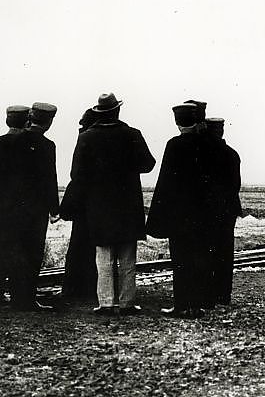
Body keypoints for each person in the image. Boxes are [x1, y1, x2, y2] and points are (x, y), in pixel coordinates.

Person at [70, 93, 155, 316]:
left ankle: (105, 303)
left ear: (99, 113)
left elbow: (76, 173)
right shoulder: (132, 134)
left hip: (99, 207)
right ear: (117, 111)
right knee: (127, 258)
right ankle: (127, 303)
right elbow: (148, 164)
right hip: (128, 206)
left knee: (103, 257)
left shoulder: (87, 137)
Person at [146, 103, 210, 318]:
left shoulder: (174, 145)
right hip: (202, 213)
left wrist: (159, 217)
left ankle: (182, 305)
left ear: (177, 122)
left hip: (179, 215)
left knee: (181, 260)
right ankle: (198, 304)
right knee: (199, 257)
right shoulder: (206, 144)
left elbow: (165, 182)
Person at [11, 102, 61, 310]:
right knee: (33, 253)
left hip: (13, 207)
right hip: (36, 209)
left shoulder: (11, 141)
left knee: (17, 251)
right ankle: (28, 299)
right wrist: (54, 209)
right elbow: (50, 179)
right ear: (49, 122)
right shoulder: (47, 145)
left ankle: (16, 298)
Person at [0, 105, 30, 306]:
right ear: (27, 121)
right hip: (22, 208)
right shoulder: (29, 145)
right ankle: (19, 294)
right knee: (20, 250)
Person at [59, 109, 100, 299]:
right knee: (91, 247)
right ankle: (88, 288)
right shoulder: (92, 138)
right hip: (94, 202)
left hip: (82, 202)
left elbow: (76, 174)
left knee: (78, 245)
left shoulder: (83, 137)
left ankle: (73, 288)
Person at [202, 117, 241, 306]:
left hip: (207, 211)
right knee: (225, 253)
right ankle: (223, 295)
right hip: (227, 210)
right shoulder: (232, 154)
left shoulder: (202, 154)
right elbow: (235, 185)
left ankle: (207, 294)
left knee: (206, 252)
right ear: (222, 131)